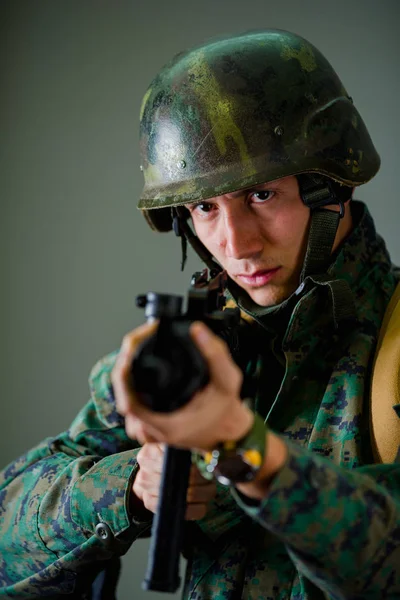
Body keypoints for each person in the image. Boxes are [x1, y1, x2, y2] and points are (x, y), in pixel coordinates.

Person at [1, 29, 399, 599]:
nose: (235, 244)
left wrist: (252, 455)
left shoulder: (392, 346)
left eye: (263, 194)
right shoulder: (190, 357)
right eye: (206, 207)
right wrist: (134, 487)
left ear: (330, 185)